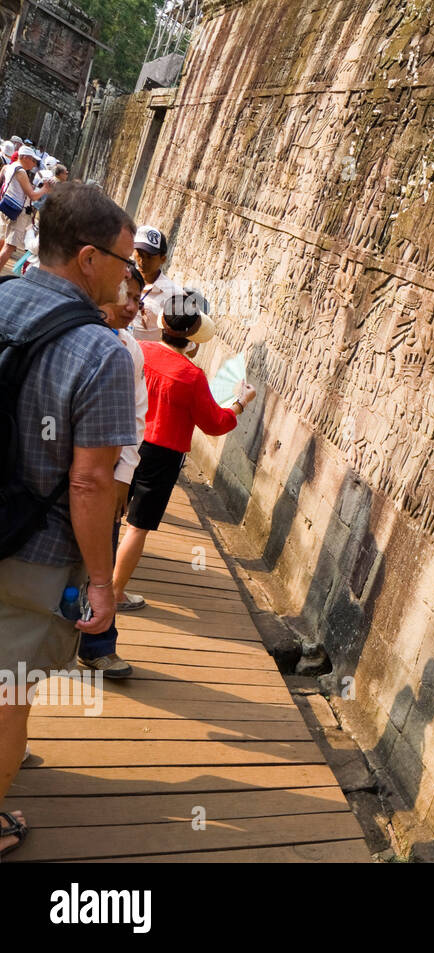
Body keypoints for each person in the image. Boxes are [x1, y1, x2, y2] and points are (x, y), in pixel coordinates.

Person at [0, 184, 138, 858]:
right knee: (7, 692)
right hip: (34, 548)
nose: (129, 274)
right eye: (125, 260)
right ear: (89, 258)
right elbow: (89, 481)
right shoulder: (103, 352)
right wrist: (102, 581)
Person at [112, 289, 256, 612]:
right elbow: (215, 423)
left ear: (162, 321)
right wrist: (240, 404)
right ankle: (115, 592)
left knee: (110, 512)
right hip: (163, 455)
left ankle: (89, 579)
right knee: (138, 525)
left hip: (127, 440)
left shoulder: (140, 351)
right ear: (192, 335)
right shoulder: (192, 377)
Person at [78, 264, 149, 677]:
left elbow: (138, 415)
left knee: (100, 557)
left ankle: (98, 645)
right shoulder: (72, 332)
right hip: (57, 470)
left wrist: (125, 473)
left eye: (138, 299)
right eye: (125, 294)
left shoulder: (130, 348)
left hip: (105, 475)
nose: (132, 306)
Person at [0, 147, 52, 268]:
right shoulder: (21, 171)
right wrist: (45, 189)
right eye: (33, 161)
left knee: (3, 242)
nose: (34, 164)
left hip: (7, 206)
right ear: (25, 157)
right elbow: (33, 196)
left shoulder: (9, 167)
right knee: (9, 247)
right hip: (18, 212)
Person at [130, 225, 178, 342]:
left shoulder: (173, 295)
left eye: (149, 256)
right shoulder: (120, 277)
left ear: (163, 259)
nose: (142, 260)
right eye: (139, 253)